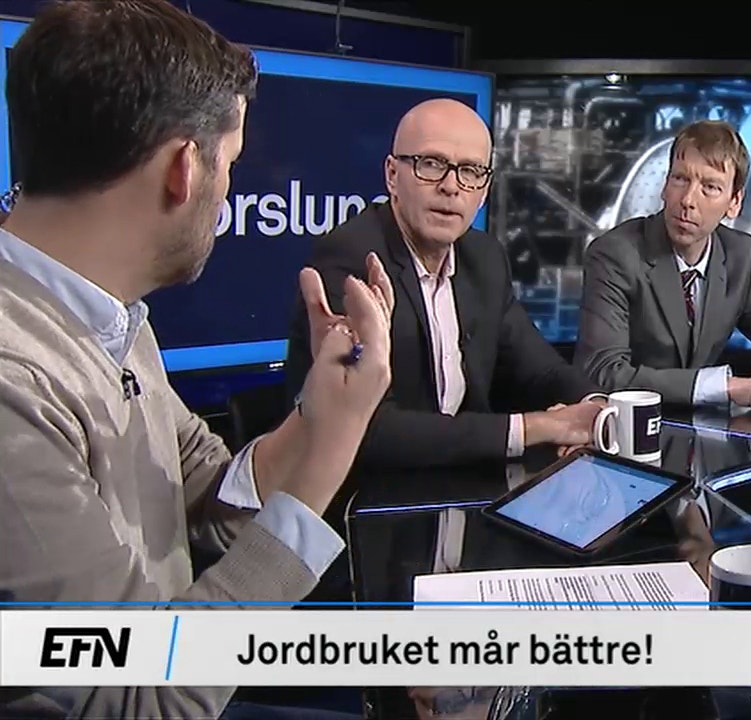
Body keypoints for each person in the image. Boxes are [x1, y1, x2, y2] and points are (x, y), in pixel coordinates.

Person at [0, 2, 391, 718]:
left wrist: (316, 414)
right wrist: (334, 451)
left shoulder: (112, 313)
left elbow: (209, 491)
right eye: (230, 163)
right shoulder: (12, 382)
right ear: (184, 168)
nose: (229, 190)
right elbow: (143, 697)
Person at [284, 99, 604, 469]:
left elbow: (539, 369)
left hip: (465, 484)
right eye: (431, 164)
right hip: (368, 492)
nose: (451, 186)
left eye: (470, 171)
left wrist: (594, 409)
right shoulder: (352, 259)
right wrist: (539, 428)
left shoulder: (484, 258)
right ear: (392, 175)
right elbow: (366, 428)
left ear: (484, 190)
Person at [574, 120, 751, 414]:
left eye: (709, 187)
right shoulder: (615, 254)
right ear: (665, 185)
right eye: (680, 179)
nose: (687, 200)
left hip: (704, 432)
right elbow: (603, 373)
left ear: (734, 202)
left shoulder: (740, 256)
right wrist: (730, 388)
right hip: (624, 429)